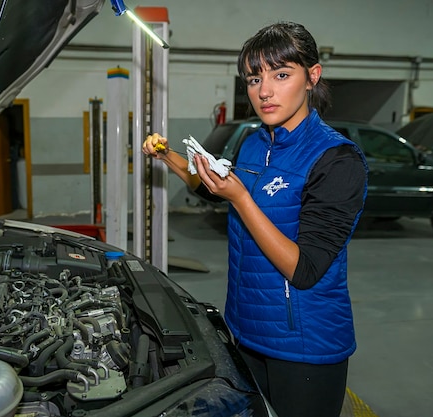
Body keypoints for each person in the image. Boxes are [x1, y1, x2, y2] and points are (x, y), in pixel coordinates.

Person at [142, 21, 368, 417]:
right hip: (245, 331)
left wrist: (241, 197)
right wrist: (167, 157)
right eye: (253, 78)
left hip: (304, 348)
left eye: (281, 75)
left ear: (312, 76)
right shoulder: (254, 142)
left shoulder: (336, 160)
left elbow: (304, 269)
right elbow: (214, 188)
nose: (264, 91)